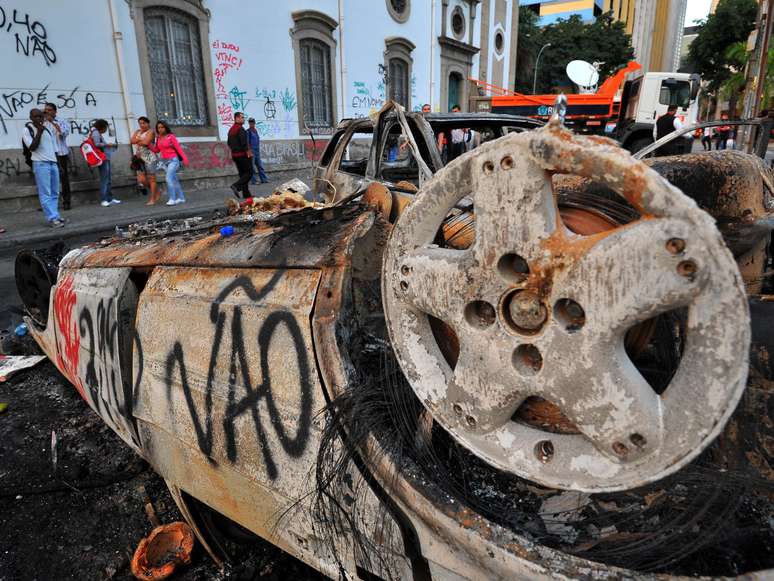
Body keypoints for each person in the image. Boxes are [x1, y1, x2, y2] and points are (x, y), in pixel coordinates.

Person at [23, 109, 65, 227]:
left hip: (53, 163)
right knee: (45, 193)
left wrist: (59, 165)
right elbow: (32, 147)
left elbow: (55, 148)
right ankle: (52, 218)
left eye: (41, 117)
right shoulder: (28, 129)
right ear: (31, 117)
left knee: (55, 192)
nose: (39, 119)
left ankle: (56, 215)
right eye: (36, 117)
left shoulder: (48, 129)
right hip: (40, 164)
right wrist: (39, 133)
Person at [150, 120, 189, 205]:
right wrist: (149, 145)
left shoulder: (171, 136)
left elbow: (178, 148)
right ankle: (181, 198)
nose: (160, 129)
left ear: (166, 127)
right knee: (174, 180)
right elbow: (157, 150)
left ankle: (172, 199)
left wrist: (185, 159)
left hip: (173, 160)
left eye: (162, 127)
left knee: (168, 178)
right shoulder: (158, 138)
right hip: (165, 162)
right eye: (158, 128)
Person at [44, 103, 71, 210]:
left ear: (55, 111)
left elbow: (63, 134)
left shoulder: (62, 121)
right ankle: (49, 204)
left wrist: (52, 122)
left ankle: (66, 201)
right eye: (45, 110)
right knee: (48, 180)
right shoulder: (43, 122)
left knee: (64, 178)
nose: (47, 112)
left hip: (61, 154)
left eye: (49, 110)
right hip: (48, 154)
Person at [130, 116, 160, 205]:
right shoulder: (137, 131)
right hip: (139, 158)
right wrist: (140, 140)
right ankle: (157, 192)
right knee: (142, 179)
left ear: (148, 123)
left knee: (151, 179)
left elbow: (146, 143)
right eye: (140, 123)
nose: (142, 125)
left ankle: (152, 199)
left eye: (144, 123)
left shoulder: (150, 132)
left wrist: (137, 140)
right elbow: (132, 140)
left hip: (150, 158)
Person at [90, 119, 120, 207]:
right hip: (102, 158)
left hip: (105, 157)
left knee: (108, 179)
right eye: (105, 127)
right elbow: (97, 144)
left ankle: (109, 198)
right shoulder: (95, 132)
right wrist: (108, 145)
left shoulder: (97, 133)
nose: (106, 130)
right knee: (104, 179)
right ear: (101, 127)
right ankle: (104, 199)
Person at [227, 112, 252, 198]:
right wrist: (248, 154)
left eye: (243, 117)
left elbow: (229, 143)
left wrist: (234, 150)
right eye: (242, 117)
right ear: (237, 118)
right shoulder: (240, 129)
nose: (243, 119)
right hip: (242, 155)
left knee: (243, 174)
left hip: (235, 156)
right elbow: (244, 143)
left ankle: (246, 194)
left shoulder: (231, 130)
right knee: (249, 173)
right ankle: (236, 186)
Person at [247, 118, 269, 185]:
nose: (251, 123)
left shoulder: (255, 131)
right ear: (249, 123)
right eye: (250, 122)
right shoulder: (248, 131)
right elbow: (247, 142)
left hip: (257, 151)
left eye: (252, 122)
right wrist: (249, 151)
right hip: (251, 150)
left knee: (260, 166)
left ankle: (264, 179)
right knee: (252, 167)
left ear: (254, 123)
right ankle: (254, 181)